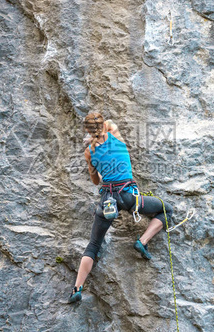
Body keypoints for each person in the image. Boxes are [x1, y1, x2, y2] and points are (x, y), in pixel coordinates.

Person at [68, 112, 173, 303]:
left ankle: (77, 289)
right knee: (166, 210)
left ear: (88, 131)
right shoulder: (114, 133)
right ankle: (142, 241)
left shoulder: (88, 152)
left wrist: (91, 145)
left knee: (93, 245)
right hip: (129, 197)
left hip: (108, 202)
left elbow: (95, 180)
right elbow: (107, 124)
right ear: (103, 125)